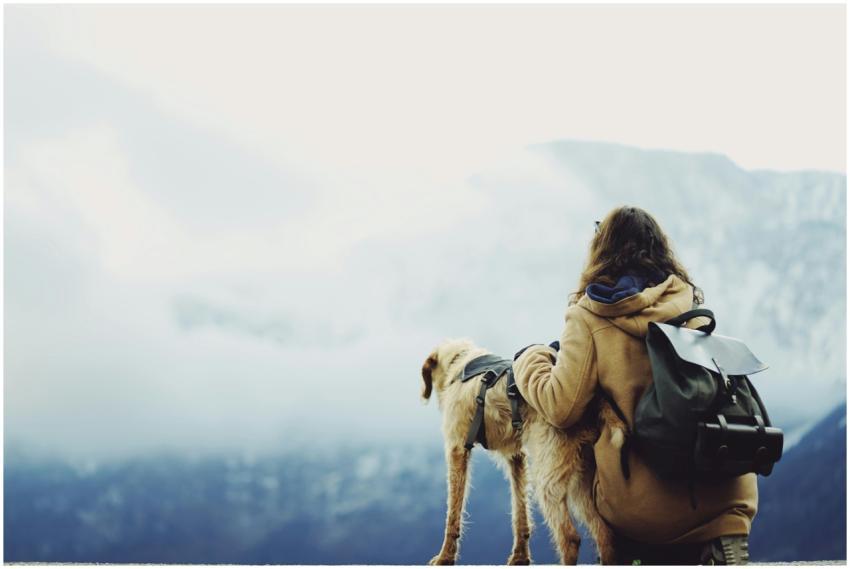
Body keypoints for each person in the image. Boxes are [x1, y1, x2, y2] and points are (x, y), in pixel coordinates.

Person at [512, 205, 757, 565]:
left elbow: (561, 407)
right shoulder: (686, 302)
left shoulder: (589, 316)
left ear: (600, 252)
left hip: (642, 508)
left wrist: (529, 360)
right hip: (725, 499)